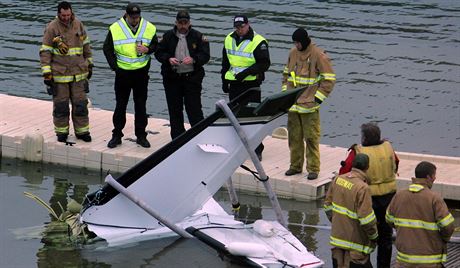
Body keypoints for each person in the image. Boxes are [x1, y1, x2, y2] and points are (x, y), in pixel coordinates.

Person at [339, 122, 399, 268]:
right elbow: (396, 164)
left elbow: (345, 172)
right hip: (389, 197)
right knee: (385, 236)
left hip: (368, 197)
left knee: (364, 234)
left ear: (364, 138)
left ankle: (366, 264)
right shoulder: (388, 148)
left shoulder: (358, 152)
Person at [283, 27, 336, 180]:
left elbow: (329, 79)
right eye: (295, 43)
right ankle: (295, 166)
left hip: (309, 106)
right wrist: (285, 96)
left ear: (305, 41)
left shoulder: (318, 55)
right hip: (293, 105)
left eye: (298, 43)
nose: (296, 45)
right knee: (294, 138)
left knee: (311, 138)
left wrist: (317, 99)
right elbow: (285, 75)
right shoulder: (292, 53)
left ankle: (313, 169)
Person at [103, 3, 158, 148]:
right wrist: (115, 67)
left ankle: (141, 136)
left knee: (140, 106)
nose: (135, 20)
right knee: (120, 105)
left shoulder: (149, 27)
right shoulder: (115, 28)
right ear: (126, 15)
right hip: (123, 74)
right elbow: (107, 49)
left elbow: (156, 46)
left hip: (141, 73)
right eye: (132, 17)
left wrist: (148, 49)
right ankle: (117, 135)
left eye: (137, 17)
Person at [39, 1, 93, 143]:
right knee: (61, 106)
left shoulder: (79, 24)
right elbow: (45, 51)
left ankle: (82, 132)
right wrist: (47, 74)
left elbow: (86, 45)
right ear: (58, 14)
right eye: (63, 15)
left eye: (68, 15)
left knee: (81, 105)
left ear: (71, 12)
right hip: (60, 74)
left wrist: (90, 64)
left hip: (78, 73)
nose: (66, 18)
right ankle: (61, 132)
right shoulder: (52, 28)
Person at [386, 161, 455, 267]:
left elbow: (389, 219)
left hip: (404, 261)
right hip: (428, 262)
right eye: (433, 176)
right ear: (428, 177)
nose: (434, 179)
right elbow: (448, 226)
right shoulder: (434, 198)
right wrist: (444, 239)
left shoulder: (399, 196)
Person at [221, 14, 270, 161]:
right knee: (235, 116)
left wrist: (247, 72)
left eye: (241, 27)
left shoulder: (258, 41)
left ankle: (257, 148)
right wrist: (224, 80)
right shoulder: (229, 38)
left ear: (248, 25)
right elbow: (225, 62)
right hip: (235, 83)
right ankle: (238, 147)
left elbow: (264, 64)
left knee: (252, 116)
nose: (239, 30)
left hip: (251, 84)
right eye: (237, 27)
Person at [154, 10, 210, 139]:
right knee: (175, 110)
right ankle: (177, 139)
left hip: (192, 78)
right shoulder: (167, 36)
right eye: (180, 23)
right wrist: (168, 59)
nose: (183, 25)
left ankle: (199, 137)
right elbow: (158, 52)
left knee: (194, 109)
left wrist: (194, 59)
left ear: (189, 23)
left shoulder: (198, 36)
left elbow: (205, 55)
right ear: (176, 23)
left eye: (185, 23)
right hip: (173, 78)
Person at [324, 153, 378, 268]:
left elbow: (327, 206)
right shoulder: (363, 188)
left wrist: (337, 222)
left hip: (337, 243)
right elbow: (366, 220)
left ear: (352, 164)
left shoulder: (338, 180)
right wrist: (374, 236)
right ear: (367, 167)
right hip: (355, 248)